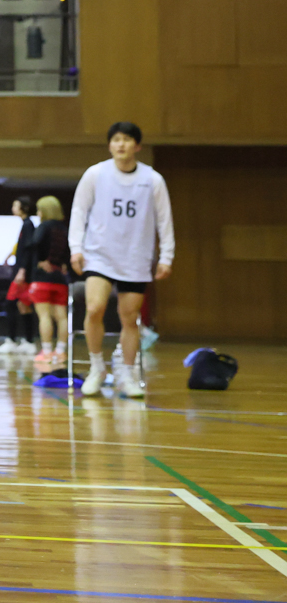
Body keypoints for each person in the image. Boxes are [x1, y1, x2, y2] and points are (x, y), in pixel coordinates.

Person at [68, 121, 174, 398]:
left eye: (127, 140)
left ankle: (126, 373)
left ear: (137, 146)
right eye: (116, 139)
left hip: (135, 257)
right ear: (109, 145)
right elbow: (79, 211)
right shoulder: (96, 174)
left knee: (129, 318)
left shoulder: (152, 179)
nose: (121, 144)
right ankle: (97, 368)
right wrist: (76, 248)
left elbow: (164, 220)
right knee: (94, 308)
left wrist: (166, 256)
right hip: (99, 255)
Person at [27, 195, 71, 369]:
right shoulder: (64, 229)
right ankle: (60, 351)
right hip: (60, 278)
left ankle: (46, 352)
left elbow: (34, 244)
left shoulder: (43, 226)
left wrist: (40, 261)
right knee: (61, 316)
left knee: (44, 315)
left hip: (42, 278)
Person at [0, 196, 39, 355]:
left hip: (22, 274)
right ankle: (28, 341)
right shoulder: (26, 225)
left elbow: (28, 250)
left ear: (25, 208)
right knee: (23, 305)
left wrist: (22, 270)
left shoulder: (28, 225)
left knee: (10, 304)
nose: (13, 208)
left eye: (16, 205)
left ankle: (11, 340)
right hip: (23, 272)